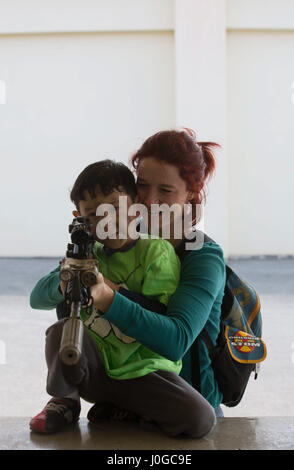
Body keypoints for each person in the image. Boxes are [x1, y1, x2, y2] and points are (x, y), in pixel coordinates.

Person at [85, 128, 226, 437]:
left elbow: (176, 340)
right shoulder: (119, 240)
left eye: (165, 190)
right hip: (128, 401)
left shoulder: (203, 255)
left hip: (186, 407)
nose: (149, 201)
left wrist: (108, 293)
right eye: (143, 185)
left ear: (190, 192)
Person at [29, 159, 182, 434]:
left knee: (198, 420)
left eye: (114, 208)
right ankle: (66, 399)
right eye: (93, 215)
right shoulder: (87, 251)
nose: (106, 220)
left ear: (135, 209)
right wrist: (67, 280)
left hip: (144, 368)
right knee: (60, 329)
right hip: (94, 366)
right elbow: (37, 298)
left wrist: (108, 290)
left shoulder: (155, 253)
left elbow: (160, 317)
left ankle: (122, 406)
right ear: (79, 218)